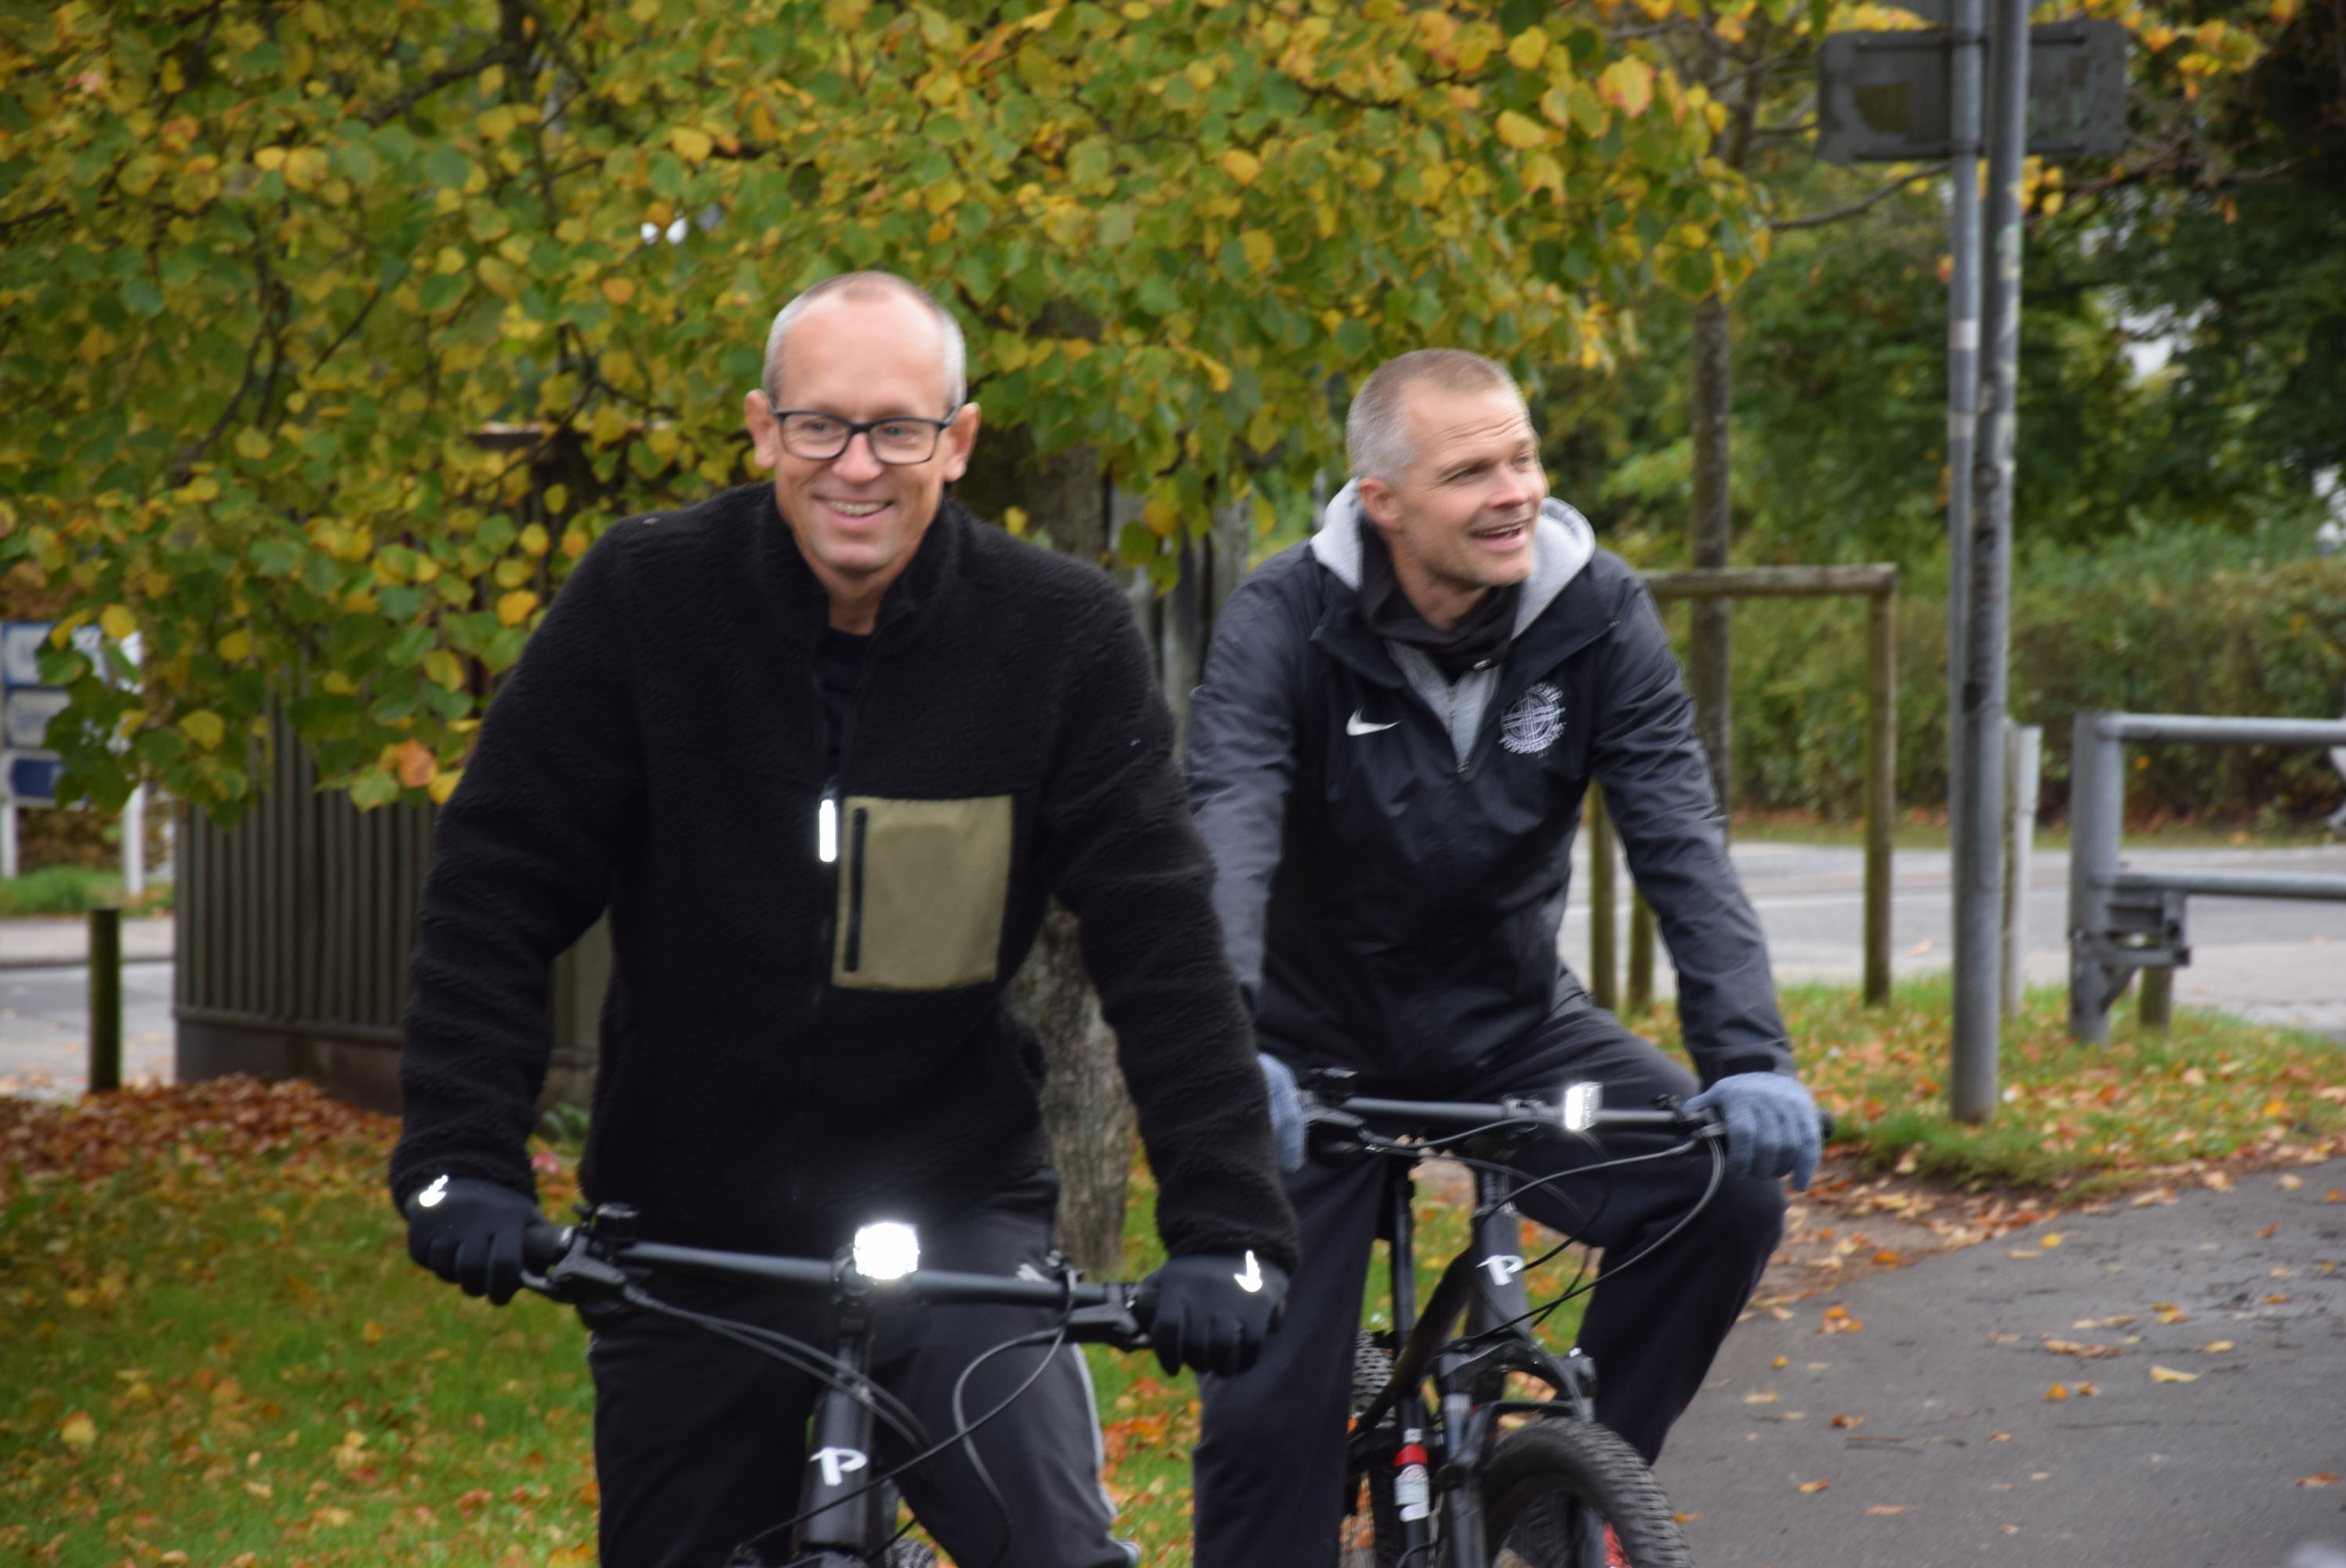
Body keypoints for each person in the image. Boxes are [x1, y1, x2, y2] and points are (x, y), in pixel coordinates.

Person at [390, 270, 1296, 1568]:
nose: (856, 465)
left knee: (1053, 1551)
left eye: (898, 429)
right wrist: (463, 1160)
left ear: (960, 442)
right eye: (820, 426)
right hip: (693, 1222)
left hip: (953, 1203)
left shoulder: (1058, 637)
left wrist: (1229, 1232)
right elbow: (498, 881)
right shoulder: (646, 599)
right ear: (763, 430)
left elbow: (1158, 940)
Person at [1184, 349, 1818, 1566]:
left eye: (1522, 455)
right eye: (1470, 470)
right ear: (1384, 502)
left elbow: (1679, 836)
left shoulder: (1597, 611)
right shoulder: (1284, 619)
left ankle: (1555, 1497)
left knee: (1725, 1196)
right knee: (1270, 1427)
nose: (1513, 490)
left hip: (1509, 1027)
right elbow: (1230, 832)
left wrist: (1750, 1057)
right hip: (1304, 1052)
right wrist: (1225, 1054)